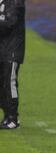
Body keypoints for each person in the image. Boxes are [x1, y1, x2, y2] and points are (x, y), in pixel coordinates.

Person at [0, 0, 25, 129]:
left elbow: (9, 23)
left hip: (12, 51)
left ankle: (12, 118)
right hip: (3, 50)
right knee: (2, 83)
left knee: (10, 83)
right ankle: (7, 116)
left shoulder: (16, 2)